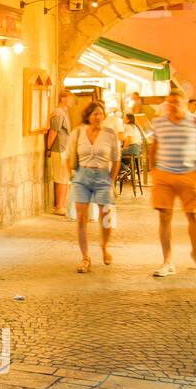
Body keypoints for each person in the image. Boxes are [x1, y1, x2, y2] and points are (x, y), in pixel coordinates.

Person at [148, 92, 196, 277]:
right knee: (164, 217)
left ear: (184, 103)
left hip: (189, 174)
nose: (173, 105)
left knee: (193, 216)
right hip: (164, 175)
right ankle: (167, 261)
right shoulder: (159, 122)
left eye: (176, 102)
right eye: (170, 102)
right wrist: (154, 171)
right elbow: (154, 147)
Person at [67, 101, 120, 273]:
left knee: (106, 216)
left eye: (100, 114)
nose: (98, 117)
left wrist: (111, 180)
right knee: (81, 218)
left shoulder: (110, 134)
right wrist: (71, 175)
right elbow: (68, 156)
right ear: (88, 116)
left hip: (103, 176)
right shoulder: (78, 132)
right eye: (95, 114)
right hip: (82, 176)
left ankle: (104, 246)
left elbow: (116, 159)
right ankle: (85, 258)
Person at [47, 89, 74, 215]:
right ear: (63, 99)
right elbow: (53, 132)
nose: (72, 101)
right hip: (59, 149)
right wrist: (48, 148)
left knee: (65, 178)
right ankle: (59, 206)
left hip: (64, 149)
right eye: (70, 98)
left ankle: (63, 205)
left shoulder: (64, 112)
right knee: (61, 178)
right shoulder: (58, 112)